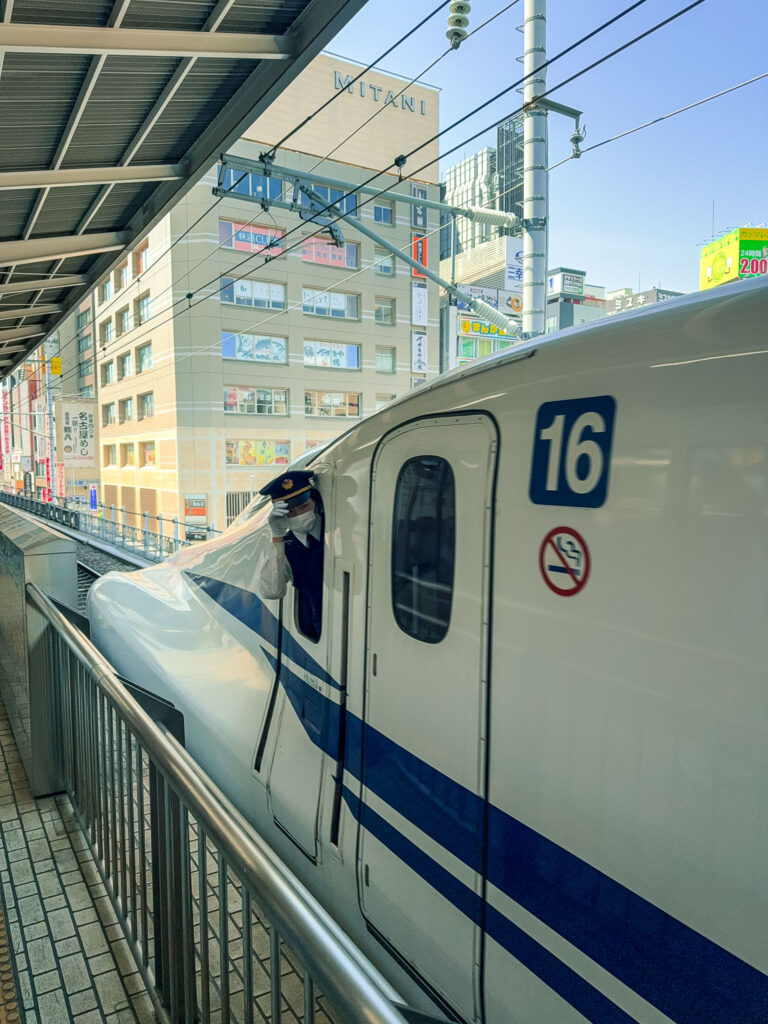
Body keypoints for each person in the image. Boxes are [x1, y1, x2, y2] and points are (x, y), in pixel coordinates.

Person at [256, 470, 324, 642]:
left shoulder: (334, 532)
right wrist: (277, 535)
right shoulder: (286, 547)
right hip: (316, 627)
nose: (299, 515)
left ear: (315, 502)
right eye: (290, 512)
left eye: (304, 506)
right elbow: (272, 591)